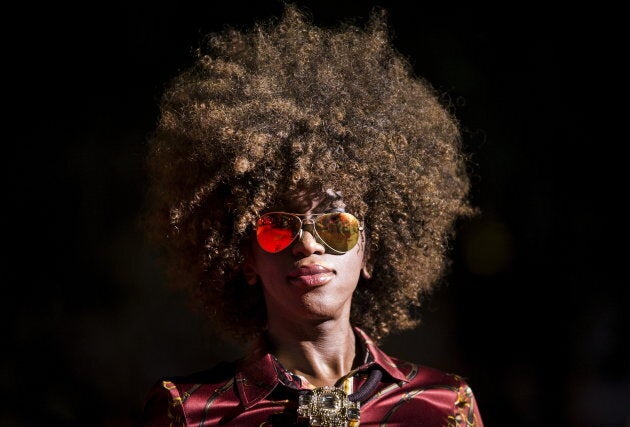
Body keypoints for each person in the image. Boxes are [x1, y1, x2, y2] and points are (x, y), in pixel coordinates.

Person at [139, 5, 484, 426]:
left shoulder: (445, 406)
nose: (308, 243)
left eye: (335, 223)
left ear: (369, 251)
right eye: (277, 226)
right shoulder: (190, 412)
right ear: (245, 256)